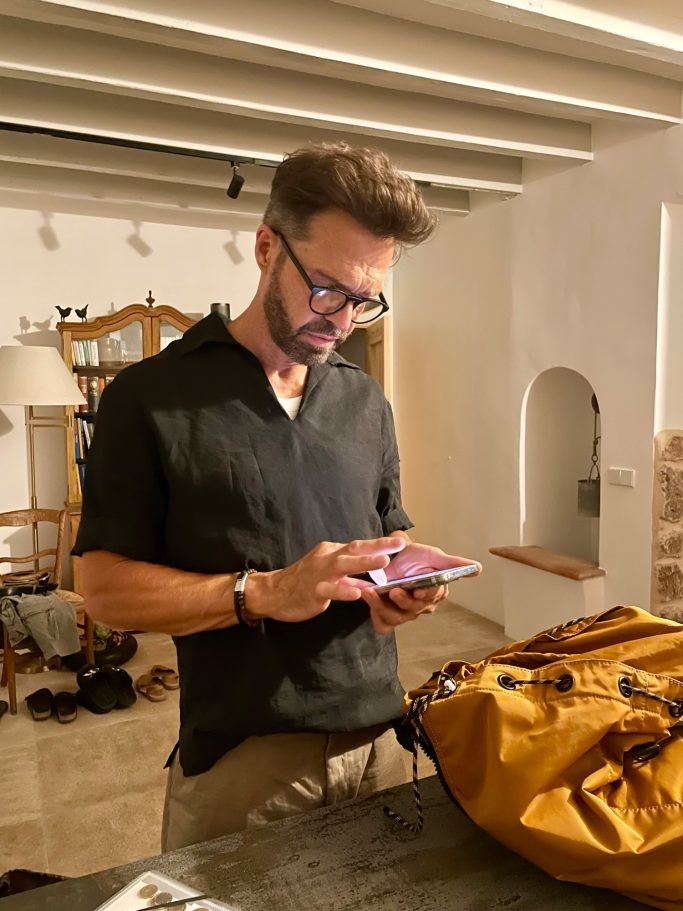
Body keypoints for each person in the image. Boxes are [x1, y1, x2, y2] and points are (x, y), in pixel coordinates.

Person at [74, 142, 480, 851]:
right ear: (266, 248)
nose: (344, 319)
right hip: (244, 761)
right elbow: (103, 591)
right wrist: (261, 592)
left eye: (365, 299)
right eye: (327, 287)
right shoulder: (149, 398)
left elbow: (382, 537)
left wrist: (409, 586)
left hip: (381, 740)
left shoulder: (364, 401)